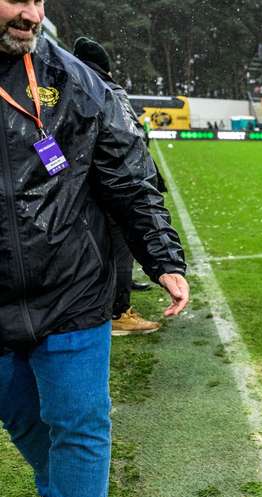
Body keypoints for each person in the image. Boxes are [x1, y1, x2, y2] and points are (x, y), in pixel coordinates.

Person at [0, 2, 190, 497]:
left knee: (80, 419)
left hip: (73, 285)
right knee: (23, 417)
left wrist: (161, 257)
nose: (30, 12)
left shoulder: (75, 82)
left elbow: (127, 175)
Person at [73, 37, 161, 336]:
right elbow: (127, 143)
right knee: (120, 246)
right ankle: (118, 312)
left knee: (96, 249)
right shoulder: (107, 90)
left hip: (79, 190)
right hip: (111, 185)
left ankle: (104, 302)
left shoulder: (65, 85)